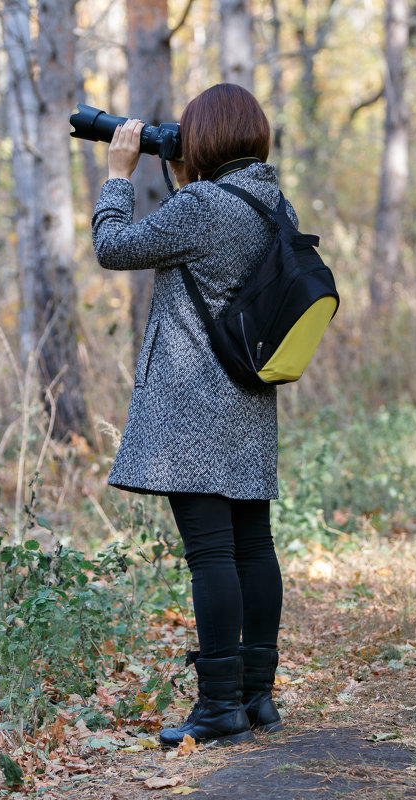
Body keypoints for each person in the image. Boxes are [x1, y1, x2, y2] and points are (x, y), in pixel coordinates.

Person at [91, 84, 289, 746]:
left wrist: (118, 178)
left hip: (195, 404)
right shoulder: (271, 200)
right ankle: (257, 696)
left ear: (203, 137)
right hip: (250, 397)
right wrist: (182, 174)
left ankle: (218, 708)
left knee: (210, 553)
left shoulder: (202, 205)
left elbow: (115, 248)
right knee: (252, 547)